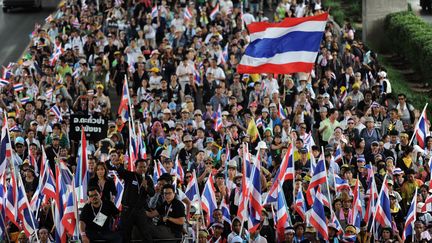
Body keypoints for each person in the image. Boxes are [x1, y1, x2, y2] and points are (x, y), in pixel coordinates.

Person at [114, 158, 155, 242]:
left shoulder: (148, 179)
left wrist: (146, 187)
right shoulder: (130, 175)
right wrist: (118, 165)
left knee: (145, 233)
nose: (143, 169)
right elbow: (121, 172)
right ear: (135, 167)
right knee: (126, 234)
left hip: (140, 211)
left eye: (144, 167)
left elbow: (152, 193)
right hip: (127, 210)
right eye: (140, 167)